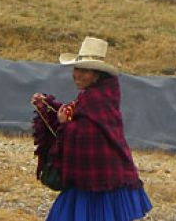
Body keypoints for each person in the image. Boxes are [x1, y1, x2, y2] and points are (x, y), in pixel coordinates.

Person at [31, 36, 152, 221]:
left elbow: (81, 133)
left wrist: (63, 124)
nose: (77, 75)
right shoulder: (93, 97)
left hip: (97, 182)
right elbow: (75, 119)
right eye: (77, 69)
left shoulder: (96, 100)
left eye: (85, 71)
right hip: (94, 177)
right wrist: (48, 106)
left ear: (97, 75)